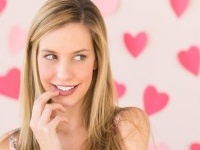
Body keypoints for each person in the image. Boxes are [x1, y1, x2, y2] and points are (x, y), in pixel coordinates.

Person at [0, 0, 150, 149]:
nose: (64, 74)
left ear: (96, 60)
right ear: (35, 59)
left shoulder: (128, 127)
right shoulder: (9, 146)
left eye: (79, 57)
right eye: (51, 56)